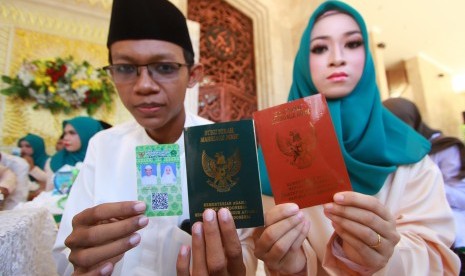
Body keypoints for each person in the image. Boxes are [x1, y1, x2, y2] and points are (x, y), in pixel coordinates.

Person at [253, 1, 460, 275]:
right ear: (304, 61)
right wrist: (292, 268)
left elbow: (440, 261)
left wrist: (387, 258)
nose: (337, 58)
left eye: (352, 44)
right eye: (320, 48)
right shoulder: (270, 160)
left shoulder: (411, 157)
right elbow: (251, 252)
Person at [53, 0, 256, 275]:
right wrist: (82, 260)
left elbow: (245, 248)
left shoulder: (224, 145)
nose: (144, 86)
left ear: (193, 75)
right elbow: (68, 252)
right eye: (125, 68)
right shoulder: (104, 146)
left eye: (165, 67)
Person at [383, 96, 465, 269]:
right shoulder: (398, 152)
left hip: (456, 237)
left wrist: (427, 185)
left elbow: (462, 197)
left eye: (400, 125)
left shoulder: (446, 148)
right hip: (419, 234)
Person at [47, 116, 103, 192]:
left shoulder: (103, 161)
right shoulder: (57, 160)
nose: (65, 138)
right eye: (65, 133)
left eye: (72, 133)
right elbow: (49, 194)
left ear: (87, 134)